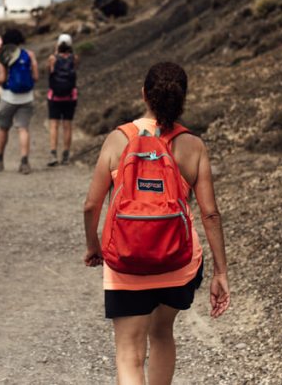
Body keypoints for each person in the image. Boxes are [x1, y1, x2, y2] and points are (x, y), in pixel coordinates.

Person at [82, 62, 230, 385]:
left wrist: (94, 246)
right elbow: (210, 214)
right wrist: (221, 272)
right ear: (182, 99)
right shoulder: (193, 146)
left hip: (127, 262)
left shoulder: (118, 139)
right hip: (178, 262)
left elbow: (91, 205)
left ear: (144, 94)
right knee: (162, 333)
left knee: (128, 353)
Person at [0, 28, 39, 174]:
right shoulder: (29, 54)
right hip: (27, 98)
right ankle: (24, 163)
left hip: (9, 98)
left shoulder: (4, 55)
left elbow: (2, 78)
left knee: (3, 128)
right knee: (23, 129)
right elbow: (36, 77)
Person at [47, 33, 79, 167]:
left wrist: (56, 52)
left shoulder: (52, 58)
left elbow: (50, 72)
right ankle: (66, 154)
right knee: (67, 126)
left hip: (54, 96)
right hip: (70, 96)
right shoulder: (75, 58)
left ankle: (53, 153)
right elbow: (75, 70)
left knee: (54, 125)